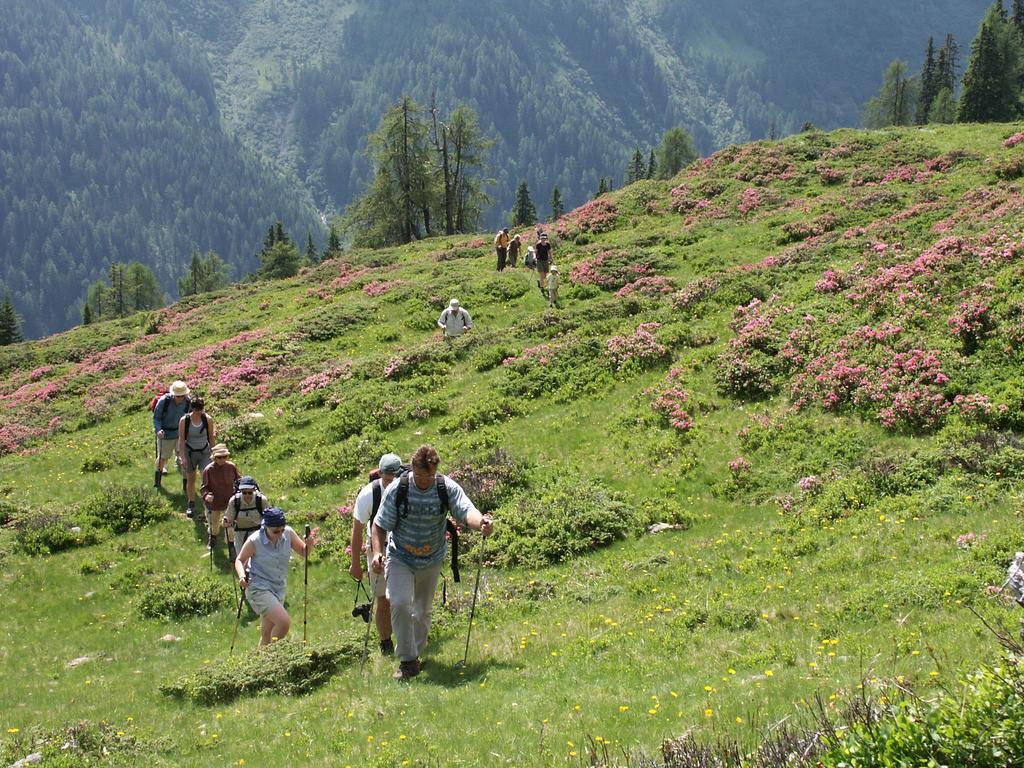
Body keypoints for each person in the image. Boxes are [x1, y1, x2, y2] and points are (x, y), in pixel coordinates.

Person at [371, 444, 493, 679]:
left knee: (423, 611)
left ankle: (415, 653)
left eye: (429, 475)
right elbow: (379, 524)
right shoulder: (399, 488)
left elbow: (465, 510)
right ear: (412, 470)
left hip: (432, 557)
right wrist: (377, 552)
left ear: (436, 470)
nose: (424, 480)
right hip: (400, 556)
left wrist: (482, 524)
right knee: (398, 602)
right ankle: (407, 661)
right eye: (419, 475)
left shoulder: (444, 487)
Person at [235, 507, 317, 647]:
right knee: (283, 622)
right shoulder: (255, 540)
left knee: (267, 632)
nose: (279, 534)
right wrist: (242, 576)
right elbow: (239, 560)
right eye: (275, 531)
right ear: (265, 527)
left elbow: (304, 552)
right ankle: (273, 658)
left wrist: (309, 544)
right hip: (258, 587)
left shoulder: (289, 533)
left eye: (281, 530)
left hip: (278, 587)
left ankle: (260, 663)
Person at [348, 453, 403, 656]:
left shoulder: (407, 488)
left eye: (394, 478)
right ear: (380, 473)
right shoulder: (368, 494)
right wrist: (356, 564)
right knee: (383, 599)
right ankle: (385, 642)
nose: (391, 483)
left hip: (403, 546)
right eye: (387, 479)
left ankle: (407, 638)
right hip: (377, 547)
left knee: (405, 596)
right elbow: (357, 530)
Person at [177, 396, 214, 518]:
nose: (199, 412)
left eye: (201, 409)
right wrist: (182, 456)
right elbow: (181, 440)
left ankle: (207, 502)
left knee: (206, 476)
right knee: (191, 478)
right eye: (197, 409)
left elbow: (211, 437)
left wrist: (214, 453)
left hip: (204, 451)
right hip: (190, 452)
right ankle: (191, 504)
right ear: (192, 408)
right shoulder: (184, 420)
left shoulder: (207, 419)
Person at [200, 443, 240, 552]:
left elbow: (238, 482)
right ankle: (213, 538)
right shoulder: (208, 470)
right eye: (219, 457)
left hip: (229, 503)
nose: (222, 459)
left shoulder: (232, 467)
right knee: (214, 525)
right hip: (214, 504)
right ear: (214, 458)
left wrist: (239, 493)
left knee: (230, 526)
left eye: (224, 457)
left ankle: (231, 546)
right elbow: (204, 488)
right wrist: (207, 495)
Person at [152, 380, 190, 489]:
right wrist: (158, 430)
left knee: (184, 458)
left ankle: (185, 485)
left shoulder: (188, 402)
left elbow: (189, 417)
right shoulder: (164, 401)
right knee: (163, 458)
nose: (180, 398)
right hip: (166, 434)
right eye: (178, 396)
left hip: (180, 434)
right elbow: (156, 418)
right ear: (173, 394)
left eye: (182, 396)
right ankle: (158, 483)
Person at [224, 476, 270, 558]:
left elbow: (268, 518)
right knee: (241, 557)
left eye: (250, 493)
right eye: (244, 493)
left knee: (257, 556)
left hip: (257, 531)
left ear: (254, 490)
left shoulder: (261, 500)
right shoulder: (234, 501)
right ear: (240, 491)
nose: (247, 495)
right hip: (240, 532)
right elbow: (229, 518)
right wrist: (226, 522)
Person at [534, 232, 552, 298]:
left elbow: (549, 252)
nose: (543, 239)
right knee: (541, 274)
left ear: (546, 238)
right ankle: (542, 288)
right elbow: (535, 252)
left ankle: (539, 282)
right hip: (539, 261)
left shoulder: (548, 244)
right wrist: (534, 258)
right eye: (542, 238)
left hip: (545, 260)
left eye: (544, 238)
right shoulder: (538, 245)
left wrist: (551, 259)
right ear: (540, 238)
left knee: (545, 275)